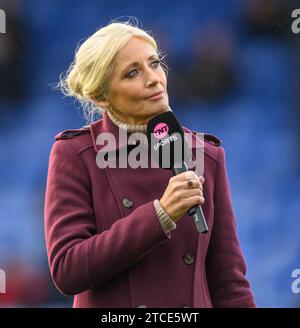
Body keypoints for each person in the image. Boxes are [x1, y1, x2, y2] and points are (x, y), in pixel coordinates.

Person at [44, 20, 256, 308]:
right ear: (100, 96)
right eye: (133, 73)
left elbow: (229, 283)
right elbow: (68, 270)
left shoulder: (206, 155)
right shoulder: (76, 154)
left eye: (154, 63)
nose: (153, 78)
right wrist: (161, 214)